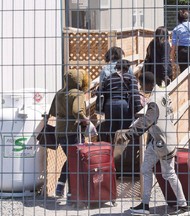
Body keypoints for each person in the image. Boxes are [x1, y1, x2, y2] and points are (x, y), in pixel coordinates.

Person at [119, 71, 187, 215]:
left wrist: (129, 134)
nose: (141, 87)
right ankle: (144, 204)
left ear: (148, 84)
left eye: (142, 84)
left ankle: (183, 205)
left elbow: (148, 120)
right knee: (145, 169)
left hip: (162, 142)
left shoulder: (154, 100)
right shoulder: (163, 93)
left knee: (169, 174)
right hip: (160, 139)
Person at [49, 69, 93, 198]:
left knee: (71, 159)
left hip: (60, 131)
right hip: (73, 131)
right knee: (75, 160)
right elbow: (77, 111)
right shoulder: (78, 94)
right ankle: (70, 191)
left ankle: (61, 187)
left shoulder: (59, 93)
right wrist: (85, 119)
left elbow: (52, 110)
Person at [100, 59, 142, 142]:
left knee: (112, 132)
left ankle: (112, 151)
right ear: (128, 68)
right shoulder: (131, 77)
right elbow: (134, 94)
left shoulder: (108, 78)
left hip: (109, 106)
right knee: (124, 131)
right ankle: (123, 152)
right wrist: (139, 110)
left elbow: (102, 92)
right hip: (123, 105)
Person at [170, 9, 190, 73]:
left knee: (184, 73)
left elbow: (173, 45)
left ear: (178, 18)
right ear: (188, 17)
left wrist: (172, 58)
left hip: (182, 51)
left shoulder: (176, 29)